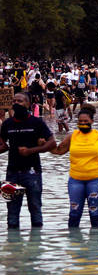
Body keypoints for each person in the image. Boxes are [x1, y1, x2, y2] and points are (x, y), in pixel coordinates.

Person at [51, 106, 98, 228]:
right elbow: (58, 151)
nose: (83, 123)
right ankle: (73, 243)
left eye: (86, 121)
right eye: (80, 122)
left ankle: (95, 244)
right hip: (75, 181)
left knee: (95, 213)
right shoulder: (72, 136)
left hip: (96, 180)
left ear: (92, 122)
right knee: (74, 213)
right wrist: (44, 145)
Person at [0, 92, 57, 229]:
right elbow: (3, 145)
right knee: (12, 212)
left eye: (19, 101)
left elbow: (52, 143)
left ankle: (36, 246)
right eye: (14, 101)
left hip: (32, 173)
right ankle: (14, 246)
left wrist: (31, 151)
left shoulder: (36, 122)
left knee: (35, 208)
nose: (15, 103)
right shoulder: (7, 124)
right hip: (12, 173)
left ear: (28, 104)